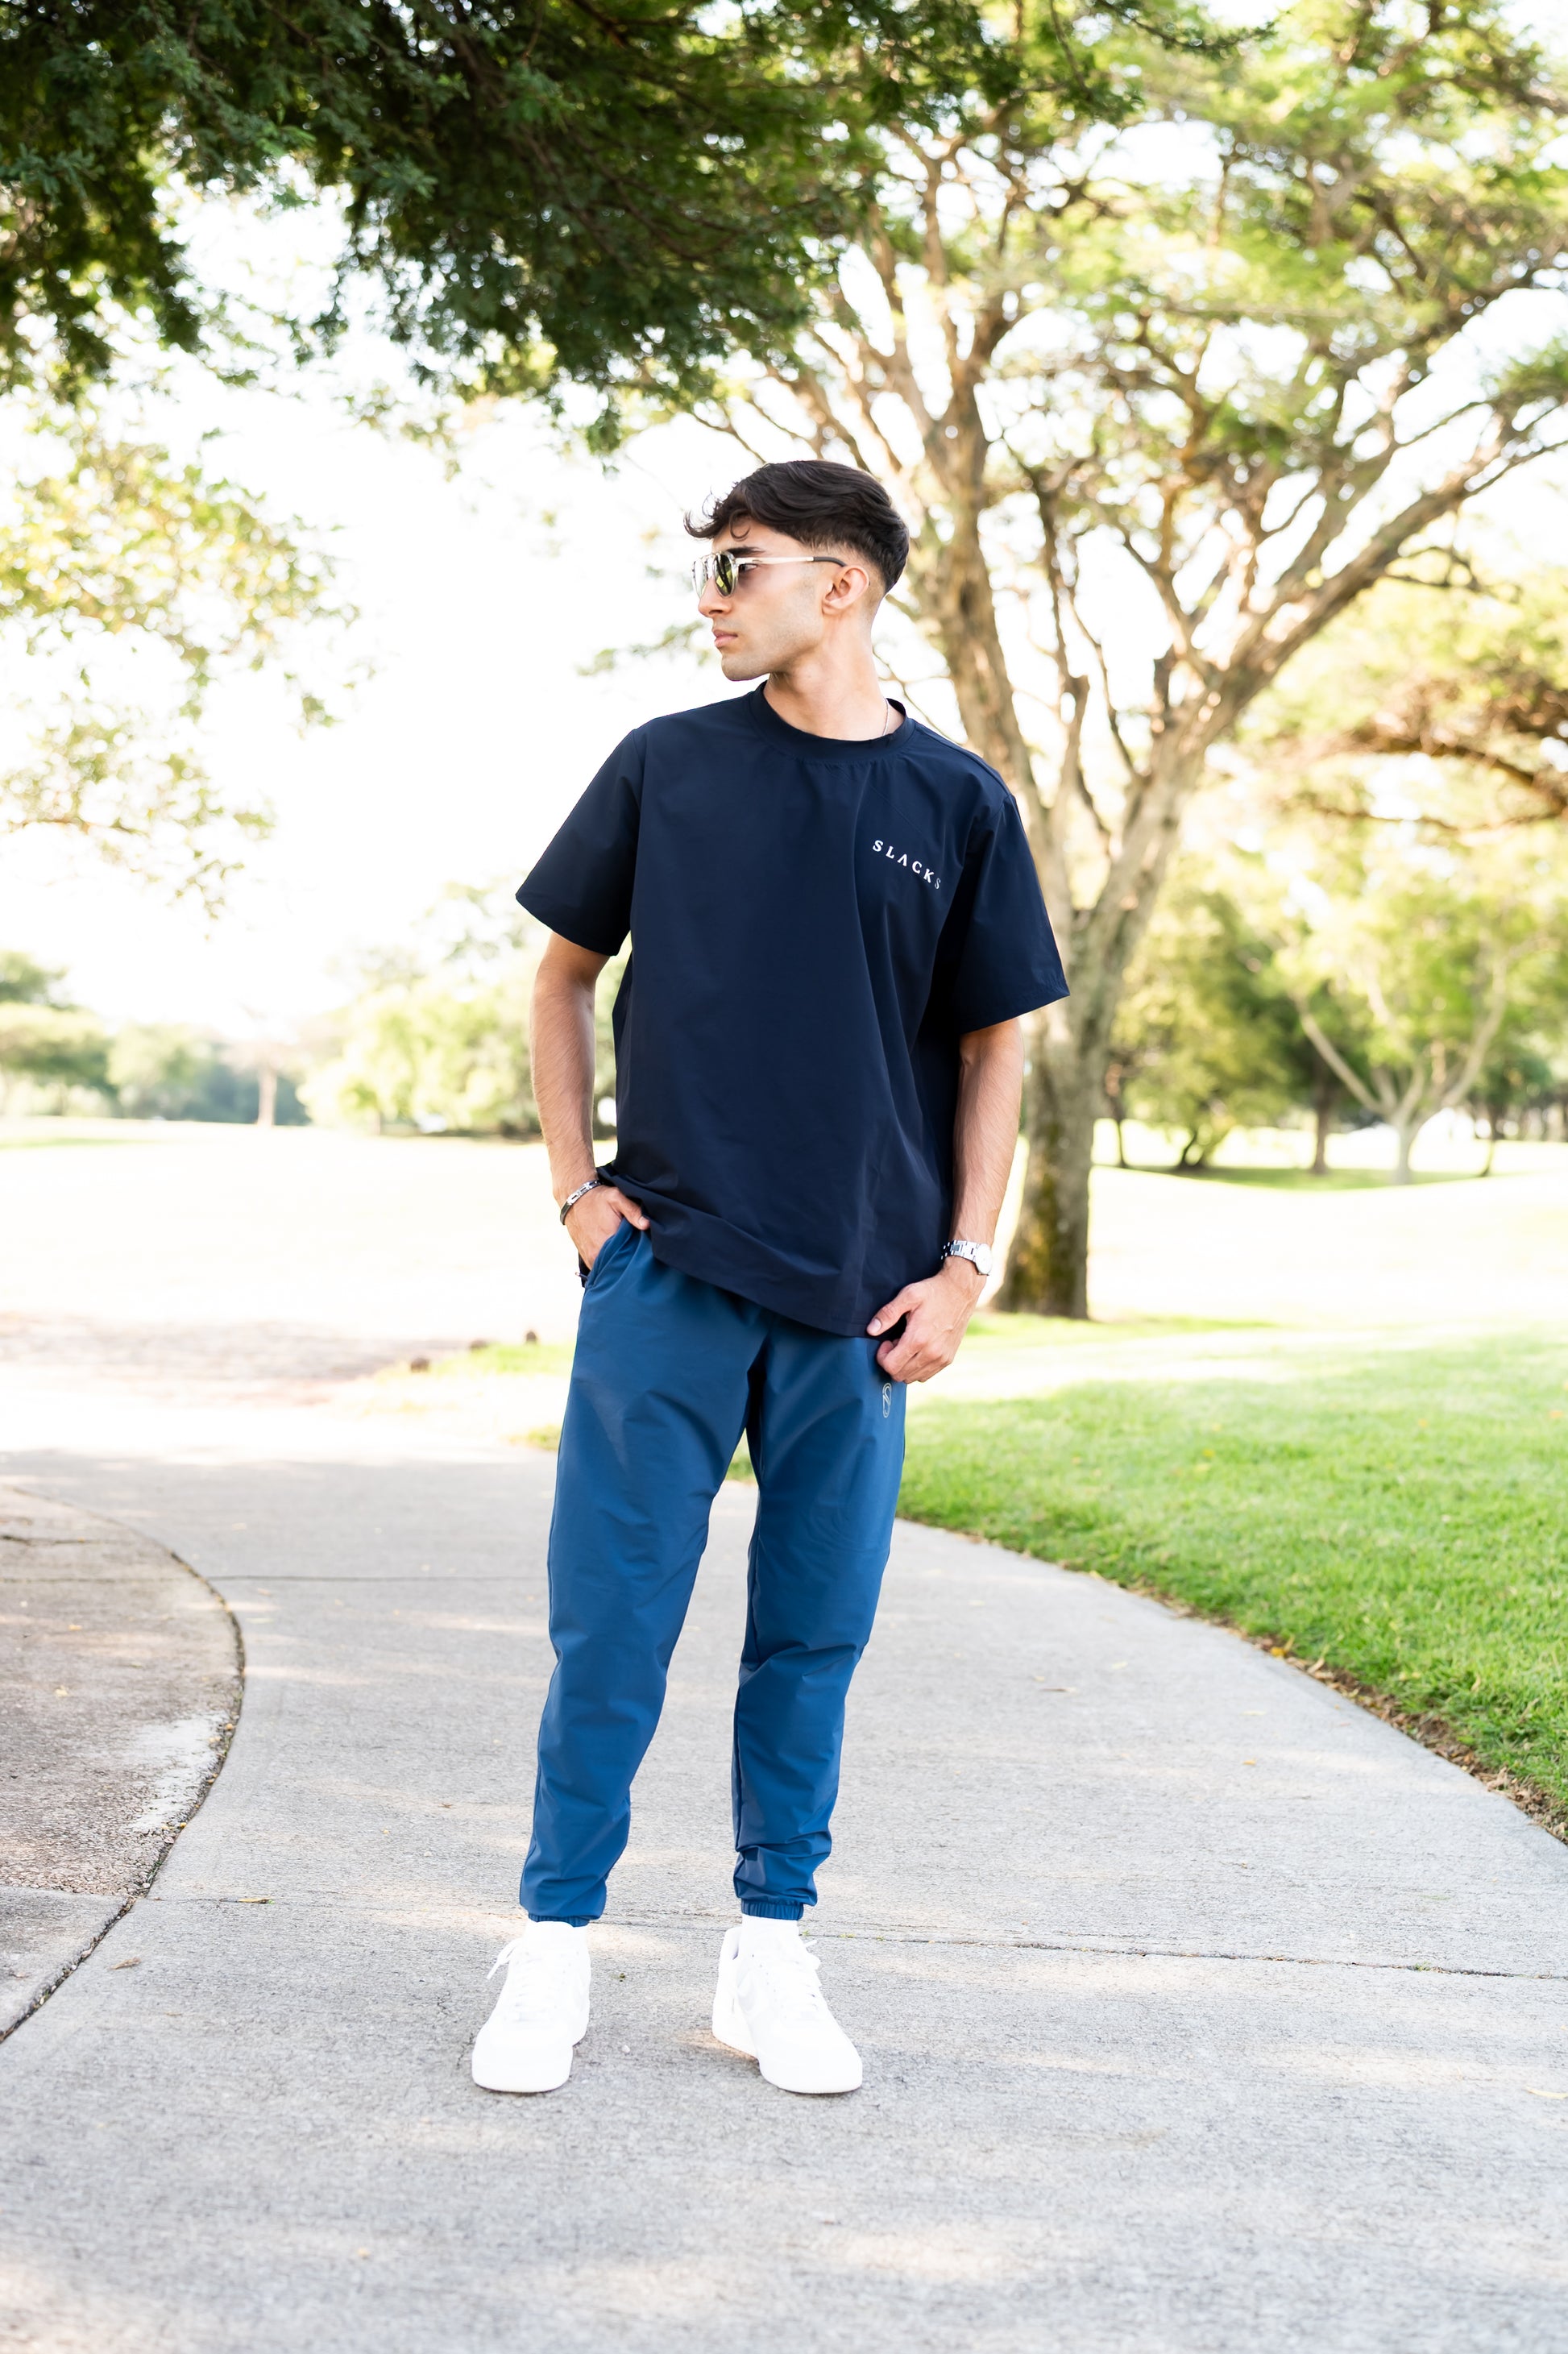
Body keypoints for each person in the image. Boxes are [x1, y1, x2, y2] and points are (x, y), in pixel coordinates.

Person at [472, 458, 1066, 2099]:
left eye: (739, 565)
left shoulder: (957, 803)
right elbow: (559, 979)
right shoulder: (665, 766)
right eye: (711, 568)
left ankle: (770, 1951)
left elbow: (994, 1050)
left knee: (810, 1638)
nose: (711, 597)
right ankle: (553, 1942)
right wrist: (579, 1197)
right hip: (664, 1272)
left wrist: (963, 1268)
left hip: (861, 1305)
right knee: (612, 1629)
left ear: (840, 583)